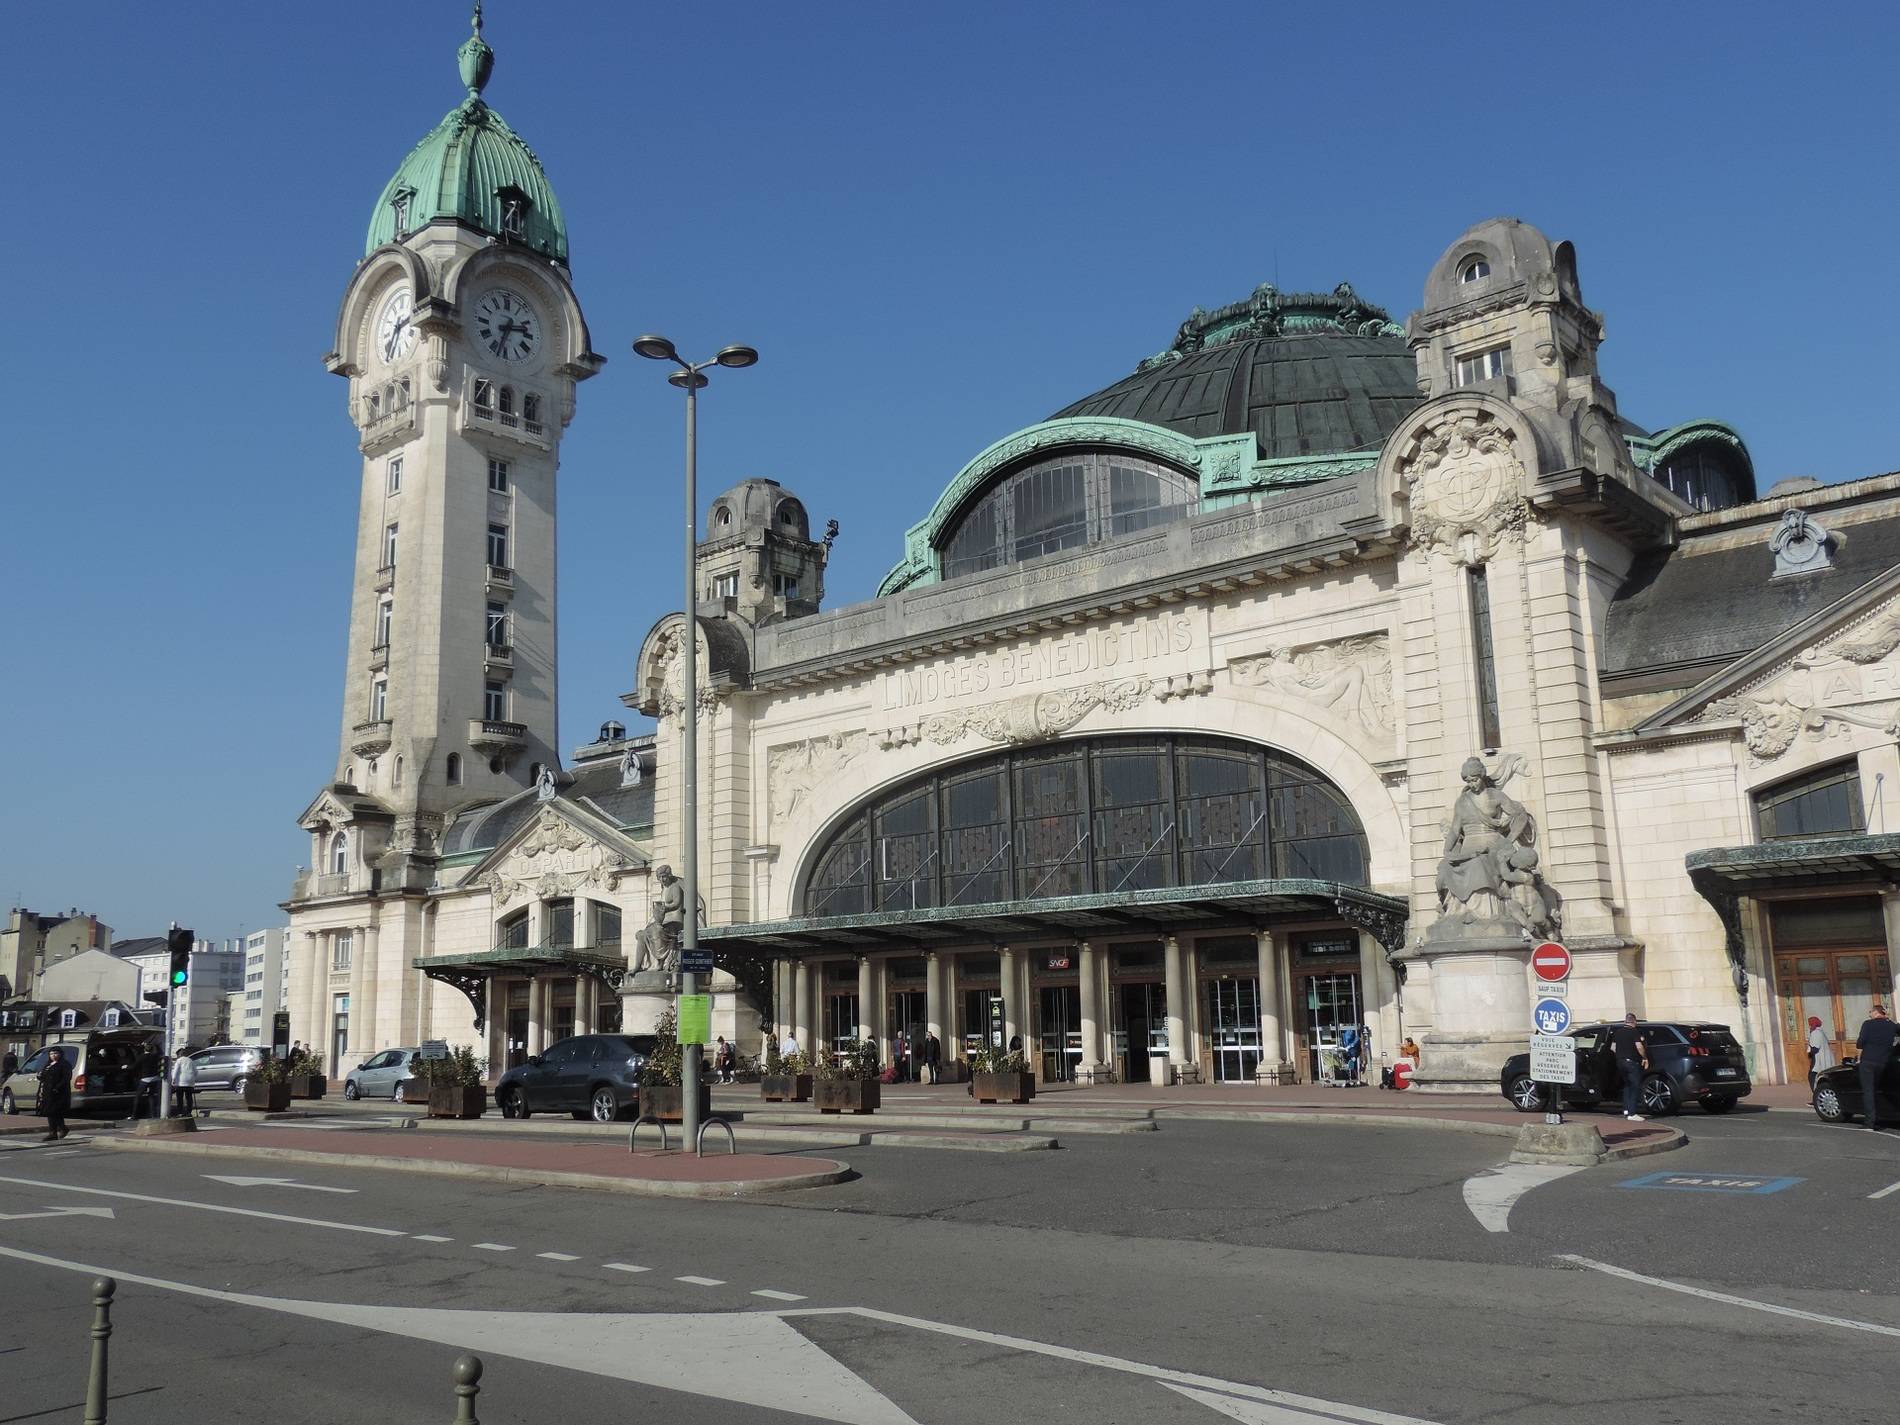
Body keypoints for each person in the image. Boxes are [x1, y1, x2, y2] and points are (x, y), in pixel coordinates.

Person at [1856, 1003, 1895, 1132]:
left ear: (1875, 1012)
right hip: (1882, 1062)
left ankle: (1869, 1123)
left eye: (1871, 1012)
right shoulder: (1891, 1026)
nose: (1869, 1014)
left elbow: (1860, 1042)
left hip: (1868, 1061)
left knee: (1868, 1091)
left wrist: (1858, 1059)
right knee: (1876, 1091)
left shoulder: (1868, 1024)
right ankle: (1877, 1118)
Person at [1608, 1013, 1649, 1121]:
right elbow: (1639, 1046)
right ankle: (1632, 1113)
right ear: (1634, 1021)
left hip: (1620, 1061)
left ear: (1625, 1021)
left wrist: (1621, 1053)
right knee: (1635, 1086)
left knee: (1627, 1085)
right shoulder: (1634, 1032)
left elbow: (1612, 1047)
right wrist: (1644, 1057)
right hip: (1631, 1062)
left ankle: (1626, 1110)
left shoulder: (1618, 1032)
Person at [35, 1047, 72, 1142]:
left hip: (59, 1092)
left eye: (56, 1053)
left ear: (60, 1054)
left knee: (55, 1111)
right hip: (48, 1092)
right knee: (49, 1112)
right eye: (51, 1054)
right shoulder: (48, 1064)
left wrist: (57, 1087)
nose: (53, 1056)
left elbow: (66, 1078)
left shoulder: (64, 1064)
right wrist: (39, 1076)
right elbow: (43, 1075)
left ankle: (60, 1129)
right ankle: (54, 1132)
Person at [1806, 1015, 1835, 1100]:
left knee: (1813, 1076)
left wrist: (1809, 1052)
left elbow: (1814, 1048)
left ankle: (1817, 1097)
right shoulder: (1820, 1031)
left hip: (1819, 1059)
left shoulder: (1816, 1033)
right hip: (1822, 1057)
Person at [169, 1049, 197, 1115]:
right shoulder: (191, 1060)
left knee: (180, 1098)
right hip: (190, 1081)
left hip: (180, 1082)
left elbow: (175, 1070)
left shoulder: (179, 1060)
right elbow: (196, 1071)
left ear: (180, 1054)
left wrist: (173, 1079)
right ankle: (188, 1112)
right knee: (189, 1098)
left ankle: (180, 1112)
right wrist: (193, 1078)